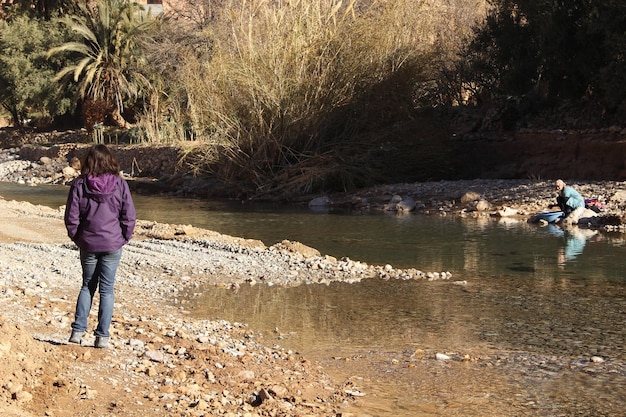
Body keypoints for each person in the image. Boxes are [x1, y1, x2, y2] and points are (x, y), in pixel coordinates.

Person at [64, 144, 136, 348]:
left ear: (89, 162)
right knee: (107, 290)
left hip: (88, 243)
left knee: (87, 286)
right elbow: (129, 216)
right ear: (109, 161)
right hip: (113, 243)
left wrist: (77, 238)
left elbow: (71, 216)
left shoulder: (79, 185)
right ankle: (102, 337)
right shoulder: (120, 184)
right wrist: (123, 238)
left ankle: (77, 333)